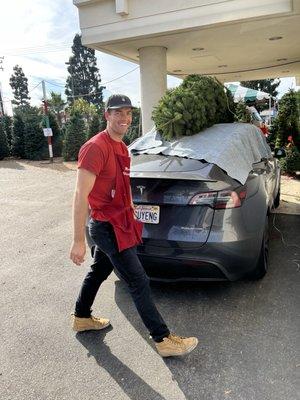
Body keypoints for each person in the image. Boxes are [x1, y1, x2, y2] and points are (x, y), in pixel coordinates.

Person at [69, 94, 198, 357]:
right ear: (107, 115)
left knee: (98, 271)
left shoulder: (121, 146)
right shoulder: (96, 147)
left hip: (119, 222)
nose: (125, 118)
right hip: (106, 227)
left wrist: (131, 207)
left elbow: (122, 183)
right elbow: (80, 195)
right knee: (138, 280)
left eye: (128, 113)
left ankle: (81, 317)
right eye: (118, 113)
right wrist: (78, 240)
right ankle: (163, 340)